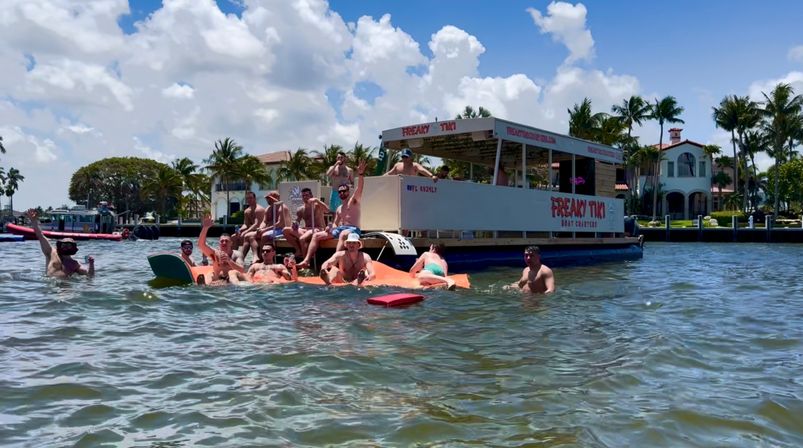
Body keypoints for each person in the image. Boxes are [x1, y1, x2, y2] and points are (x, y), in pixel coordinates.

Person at [298, 160, 366, 268]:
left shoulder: (354, 201)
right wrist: (330, 228)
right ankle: (306, 260)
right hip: (342, 229)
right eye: (340, 191)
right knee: (316, 235)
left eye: (344, 191)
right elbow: (335, 223)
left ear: (349, 192)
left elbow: (360, 188)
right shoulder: (339, 208)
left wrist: (361, 174)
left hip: (354, 229)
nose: (342, 193)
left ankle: (334, 262)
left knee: (343, 234)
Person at [26, 208, 94, 278]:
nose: (66, 247)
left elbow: (89, 275)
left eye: (68, 245)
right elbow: (40, 236)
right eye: (64, 245)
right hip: (51, 285)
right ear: (59, 245)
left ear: (73, 248)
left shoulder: (75, 264)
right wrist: (33, 221)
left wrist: (91, 264)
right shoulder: (51, 252)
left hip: (66, 286)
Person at [198, 215, 247, 285]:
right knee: (210, 274)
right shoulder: (215, 254)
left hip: (234, 279)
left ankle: (236, 286)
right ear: (219, 243)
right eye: (222, 241)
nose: (224, 243)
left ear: (231, 243)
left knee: (231, 272)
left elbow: (242, 270)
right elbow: (201, 245)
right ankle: (205, 285)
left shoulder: (237, 255)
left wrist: (229, 260)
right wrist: (205, 228)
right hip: (219, 280)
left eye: (226, 241)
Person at [283, 187, 328, 258]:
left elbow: (327, 210)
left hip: (317, 229)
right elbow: (297, 221)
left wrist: (317, 200)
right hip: (306, 229)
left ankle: (305, 263)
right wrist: (295, 224)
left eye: (307, 195)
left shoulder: (317, 206)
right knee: (285, 230)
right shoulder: (301, 209)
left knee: (302, 239)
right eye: (303, 196)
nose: (305, 197)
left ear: (311, 196)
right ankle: (299, 250)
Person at [252, 191, 291, 263]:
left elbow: (280, 223)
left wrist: (264, 230)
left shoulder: (282, 208)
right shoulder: (268, 208)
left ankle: (262, 258)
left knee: (264, 235)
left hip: (281, 230)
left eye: (269, 198)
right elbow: (264, 222)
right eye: (267, 198)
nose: (268, 200)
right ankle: (255, 256)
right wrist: (260, 228)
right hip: (270, 230)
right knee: (250, 236)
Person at [239, 191, 266, 263]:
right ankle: (231, 258)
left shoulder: (259, 209)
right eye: (247, 198)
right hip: (253, 230)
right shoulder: (247, 211)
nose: (249, 200)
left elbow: (257, 224)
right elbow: (246, 224)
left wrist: (246, 231)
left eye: (251, 198)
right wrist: (241, 230)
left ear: (255, 199)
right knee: (234, 237)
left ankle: (242, 258)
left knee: (247, 235)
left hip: (261, 229)